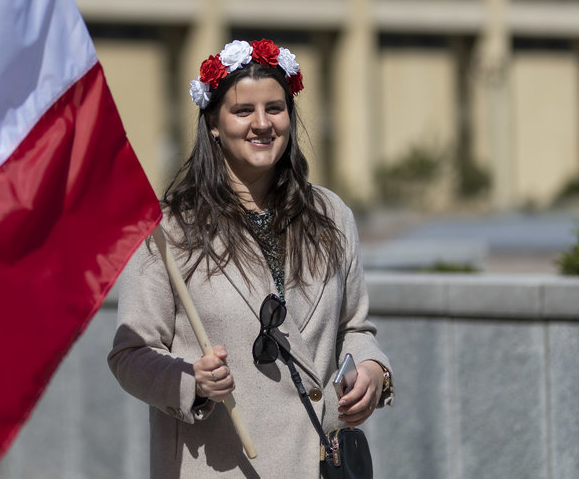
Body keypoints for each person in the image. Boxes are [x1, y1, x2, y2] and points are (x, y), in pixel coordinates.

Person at [108, 38, 393, 478]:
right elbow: (130, 354)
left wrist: (373, 370)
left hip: (321, 464)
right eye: (243, 111)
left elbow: (354, 327)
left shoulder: (331, 215)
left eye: (275, 109)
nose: (262, 124)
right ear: (214, 124)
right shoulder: (170, 232)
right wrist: (192, 382)